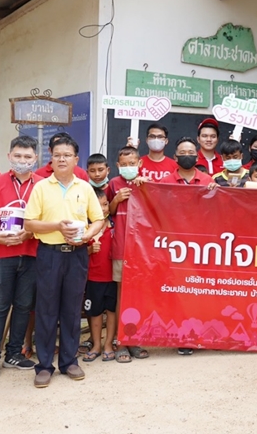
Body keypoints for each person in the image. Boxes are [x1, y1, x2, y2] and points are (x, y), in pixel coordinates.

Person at [24, 134, 104, 388]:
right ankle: (44, 365)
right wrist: (57, 226)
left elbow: (98, 219)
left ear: (76, 159)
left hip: (77, 255)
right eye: (57, 155)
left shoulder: (85, 187)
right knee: (46, 309)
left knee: (72, 309)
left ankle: (70, 361)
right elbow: (29, 223)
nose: (62, 159)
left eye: (67, 155)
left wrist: (88, 236)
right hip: (49, 254)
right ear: (51, 158)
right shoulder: (41, 187)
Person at [0, 135, 42, 380]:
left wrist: (30, 232)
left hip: (31, 253)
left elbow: (46, 219)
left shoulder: (42, 185)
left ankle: (14, 353)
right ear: (9, 156)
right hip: (0, 254)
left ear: (36, 158)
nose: (22, 161)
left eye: (27, 157)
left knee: (24, 305)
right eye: (17, 156)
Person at [160, 137, 213, 356]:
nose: (187, 156)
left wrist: (217, 193)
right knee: (180, 291)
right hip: (175, 247)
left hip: (202, 247)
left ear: (197, 155)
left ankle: (201, 335)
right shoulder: (164, 182)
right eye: (182, 153)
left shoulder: (208, 181)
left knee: (199, 291)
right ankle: (183, 336)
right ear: (175, 157)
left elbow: (219, 210)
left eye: (191, 152)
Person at [104, 145, 147, 362]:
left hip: (142, 251)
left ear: (140, 163)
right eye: (124, 164)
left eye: (132, 163)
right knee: (122, 295)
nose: (128, 167)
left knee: (138, 295)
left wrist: (146, 188)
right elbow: (107, 212)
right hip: (121, 248)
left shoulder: (146, 183)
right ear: (117, 165)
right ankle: (121, 341)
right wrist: (117, 199)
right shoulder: (113, 184)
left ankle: (135, 339)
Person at [82, 193, 117, 363]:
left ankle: (108, 344)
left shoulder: (115, 226)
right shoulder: (85, 228)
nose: (102, 209)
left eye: (105, 204)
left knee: (112, 311)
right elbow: (77, 253)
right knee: (94, 312)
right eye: (98, 205)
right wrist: (89, 250)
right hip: (93, 278)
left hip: (113, 278)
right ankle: (96, 345)